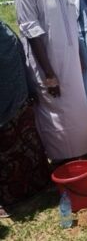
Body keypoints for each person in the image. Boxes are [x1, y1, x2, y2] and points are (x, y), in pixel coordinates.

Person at [13, 0, 87, 162]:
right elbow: (32, 32)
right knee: (56, 113)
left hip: (71, 63)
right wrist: (49, 75)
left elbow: (72, 25)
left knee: (78, 108)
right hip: (48, 65)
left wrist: (79, 55)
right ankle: (64, 161)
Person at [0, 19, 50, 217]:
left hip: (19, 98)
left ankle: (37, 185)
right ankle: (6, 200)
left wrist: (30, 87)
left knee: (27, 144)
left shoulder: (4, 30)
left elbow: (21, 57)